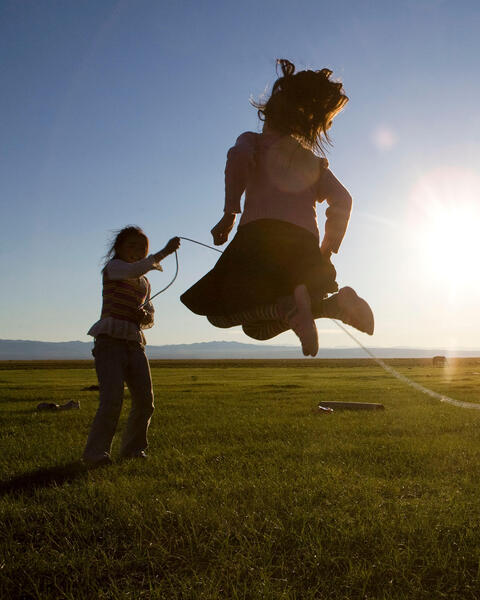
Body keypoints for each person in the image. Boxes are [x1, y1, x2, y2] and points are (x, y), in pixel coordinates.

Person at [181, 59, 374, 357]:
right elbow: (344, 200)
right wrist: (325, 250)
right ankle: (331, 306)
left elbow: (237, 159)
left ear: (268, 112)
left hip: (259, 240)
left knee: (218, 315)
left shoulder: (254, 142)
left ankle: (292, 307)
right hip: (304, 249)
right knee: (256, 328)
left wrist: (230, 212)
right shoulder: (314, 162)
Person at [82, 227, 180, 467]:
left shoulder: (144, 282)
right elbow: (133, 269)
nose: (137, 252)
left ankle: (133, 451)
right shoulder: (114, 268)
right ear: (119, 248)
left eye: (141, 248)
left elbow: (150, 316)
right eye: (132, 246)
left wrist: (144, 315)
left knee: (145, 400)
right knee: (112, 400)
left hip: (135, 344)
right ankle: (95, 455)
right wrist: (165, 252)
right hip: (109, 342)